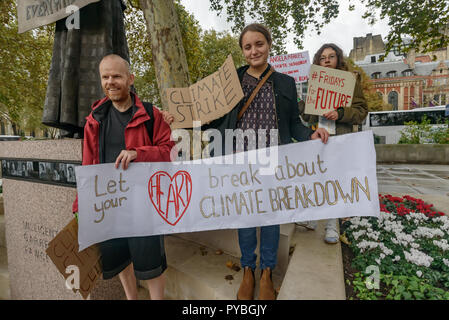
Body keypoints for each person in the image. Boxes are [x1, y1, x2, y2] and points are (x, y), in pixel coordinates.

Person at [162, 23, 329, 300]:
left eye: (259, 44)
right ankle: (248, 270)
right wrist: (177, 118)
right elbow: (209, 118)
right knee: (246, 216)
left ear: (269, 45)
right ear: (242, 51)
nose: (254, 51)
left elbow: (294, 124)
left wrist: (312, 134)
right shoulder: (231, 82)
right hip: (239, 161)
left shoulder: (286, 83)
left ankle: (267, 272)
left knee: (272, 218)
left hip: (274, 160)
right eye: (248, 46)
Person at [72, 54, 175, 300]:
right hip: (108, 204)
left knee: (151, 263)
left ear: (130, 79)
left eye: (117, 76)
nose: (111, 82)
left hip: (144, 204)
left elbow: (169, 153)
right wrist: (81, 205)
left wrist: (138, 153)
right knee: (118, 259)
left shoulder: (152, 115)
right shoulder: (94, 119)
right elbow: (88, 164)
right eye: (105, 77)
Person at [297, 43, 368, 244]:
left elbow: (361, 111)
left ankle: (332, 226)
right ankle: (311, 219)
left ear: (338, 59)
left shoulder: (351, 81)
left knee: (336, 182)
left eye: (331, 56)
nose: (327, 60)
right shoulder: (314, 83)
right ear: (318, 61)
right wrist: (300, 104)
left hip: (340, 139)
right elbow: (310, 117)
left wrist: (341, 113)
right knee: (316, 178)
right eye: (323, 58)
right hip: (318, 137)